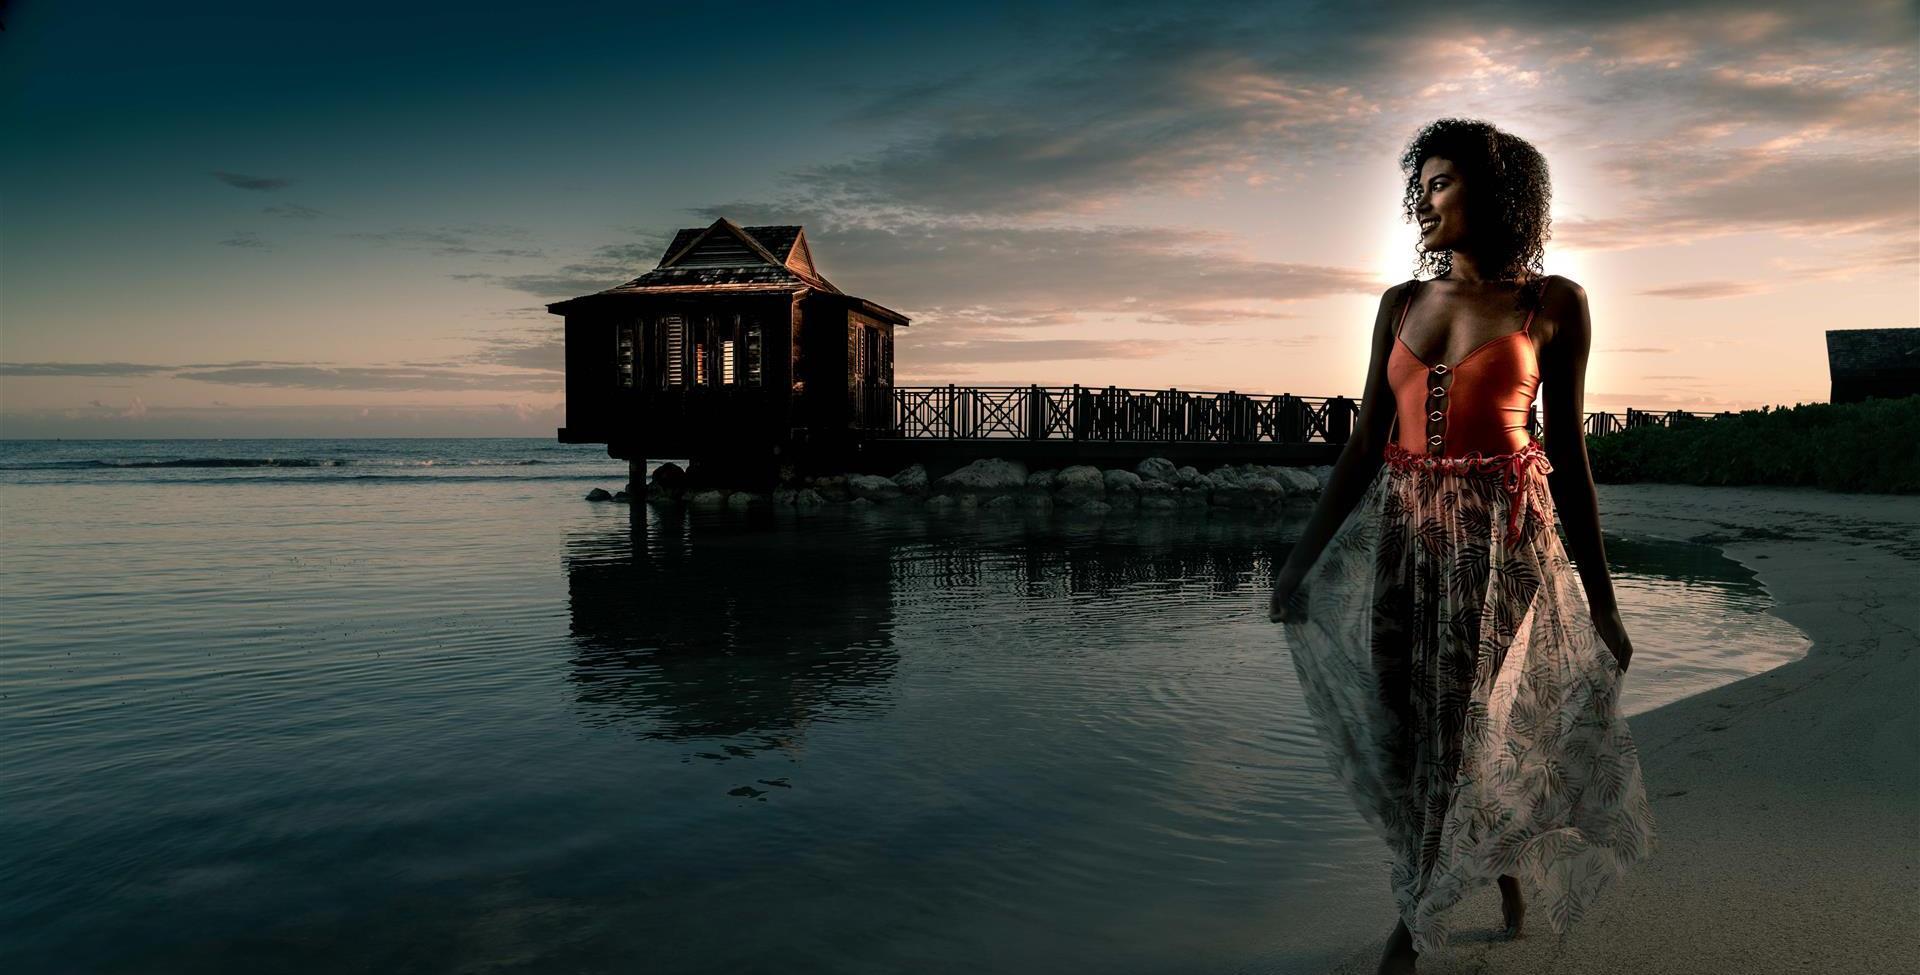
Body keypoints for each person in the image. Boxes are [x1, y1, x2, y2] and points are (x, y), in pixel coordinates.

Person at [1267, 118, 1656, 974]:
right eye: (1424, 184)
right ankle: (1490, 861)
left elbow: (1570, 458)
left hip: (1502, 547)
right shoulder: (1398, 305)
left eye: (1442, 183)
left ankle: (1415, 921)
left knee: (1470, 732)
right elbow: (1365, 443)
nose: (1425, 199)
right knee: (1405, 734)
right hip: (1405, 540)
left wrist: (1604, 603)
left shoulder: (1551, 304)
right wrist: (1300, 559)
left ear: (1496, 193)